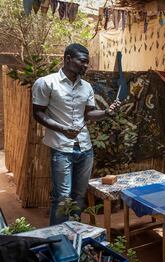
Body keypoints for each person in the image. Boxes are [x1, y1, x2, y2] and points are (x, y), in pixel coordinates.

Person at [32, 43, 121, 225]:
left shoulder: (86, 87)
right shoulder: (46, 83)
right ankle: (58, 242)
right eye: (82, 61)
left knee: (79, 196)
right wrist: (62, 129)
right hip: (61, 148)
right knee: (62, 197)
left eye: (87, 62)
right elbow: (38, 113)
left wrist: (106, 112)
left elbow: (88, 114)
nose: (86, 65)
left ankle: (74, 235)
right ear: (67, 59)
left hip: (85, 149)